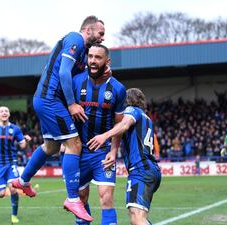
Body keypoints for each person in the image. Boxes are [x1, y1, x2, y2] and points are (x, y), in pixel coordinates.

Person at [12, 15, 105, 222]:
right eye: (100, 33)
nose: (102, 38)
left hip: (45, 100)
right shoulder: (75, 39)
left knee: (51, 147)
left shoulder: (82, 52)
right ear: (88, 30)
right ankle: (73, 198)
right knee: (74, 144)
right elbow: (63, 73)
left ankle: (23, 180)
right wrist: (72, 104)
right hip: (51, 100)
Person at [88, 88, 161, 225]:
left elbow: (124, 125)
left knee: (137, 218)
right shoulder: (146, 118)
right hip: (150, 169)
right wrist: (113, 151)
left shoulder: (132, 110)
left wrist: (104, 135)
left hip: (140, 170)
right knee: (138, 217)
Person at [72, 44, 126, 225]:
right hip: (79, 152)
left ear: (107, 61)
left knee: (106, 197)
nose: (93, 61)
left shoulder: (117, 88)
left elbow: (119, 123)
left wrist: (114, 150)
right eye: (91, 56)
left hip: (103, 152)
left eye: (98, 57)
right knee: (81, 198)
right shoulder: (76, 82)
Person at [0, 106, 32, 224]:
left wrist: (27, 141)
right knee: (0, 194)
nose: (4, 113)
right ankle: (9, 183)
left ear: (9, 114)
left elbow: (22, 146)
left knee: (13, 189)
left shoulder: (15, 129)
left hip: (11, 163)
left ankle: (14, 215)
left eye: (6, 111)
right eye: (1, 111)